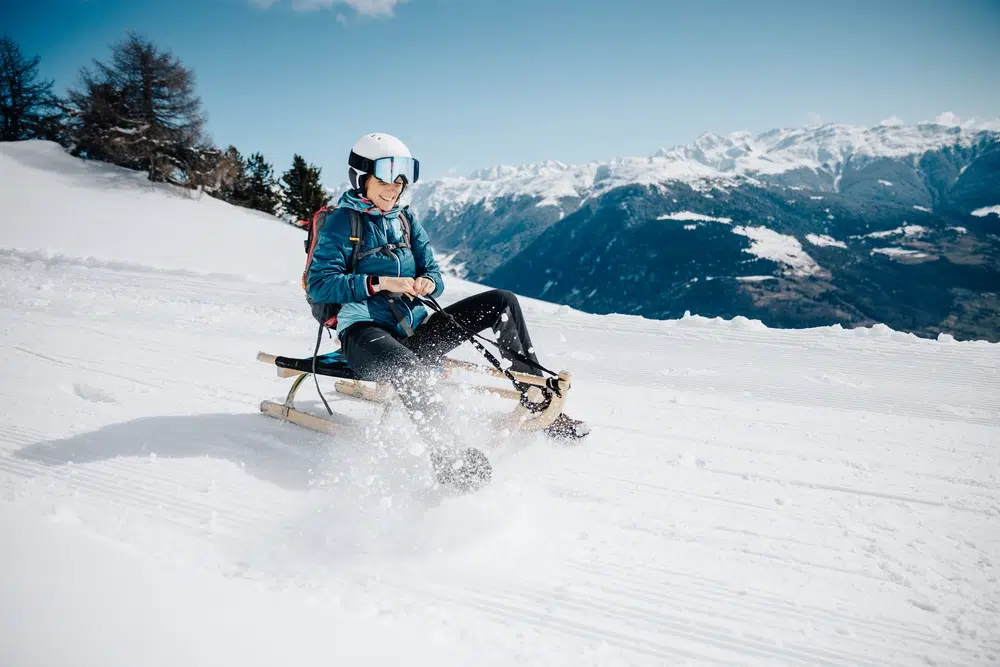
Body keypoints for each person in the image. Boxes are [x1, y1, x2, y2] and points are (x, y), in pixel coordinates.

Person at [305, 133, 589, 490]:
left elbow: (436, 275)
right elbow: (320, 284)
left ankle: (537, 402)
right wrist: (379, 283)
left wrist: (427, 284)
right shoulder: (342, 223)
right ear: (361, 178)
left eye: (399, 181)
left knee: (502, 301)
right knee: (408, 368)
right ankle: (450, 457)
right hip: (364, 335)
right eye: (383, 180)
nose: (393, 189)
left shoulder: (406, 221)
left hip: (411, 332)